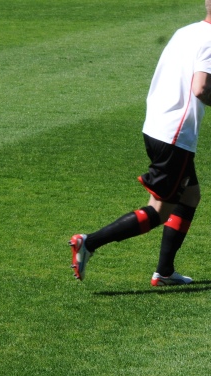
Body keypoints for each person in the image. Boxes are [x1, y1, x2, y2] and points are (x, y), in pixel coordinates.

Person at [71, 3, 211, 285]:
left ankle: (165, 272)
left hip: (158, 125)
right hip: (175, 134)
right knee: (159, 210)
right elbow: (201, 88)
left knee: (190, 195)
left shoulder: (187, 31)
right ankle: (89, 242)